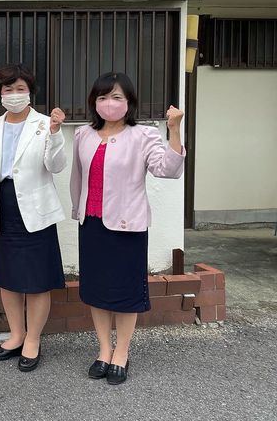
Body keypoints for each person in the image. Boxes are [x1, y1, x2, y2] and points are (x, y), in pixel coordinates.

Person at [70, 72, 185, 385]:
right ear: (94, 102)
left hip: (127, 227)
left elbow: (168, 170)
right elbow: (77, 178)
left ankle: (122, 351)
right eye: (103, 97)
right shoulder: (83, 134)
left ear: (129, 102)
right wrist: (76, 211)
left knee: (123, 292)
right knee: (96, 291)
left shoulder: (143, 135)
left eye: (117, 97)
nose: (109, 103)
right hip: (91, 223)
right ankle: (103, 350)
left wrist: (173, 130)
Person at [0, 64, 68, 372]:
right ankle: (16, 335)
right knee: (8, 278)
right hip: (3, 205)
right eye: (7, 89)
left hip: (35, 209)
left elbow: (55, 166)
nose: (13, 95)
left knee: (38, 280)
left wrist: (56, 135)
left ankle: (33, 339)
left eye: (19, 89)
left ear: (30, 92)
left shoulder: (45, 124)